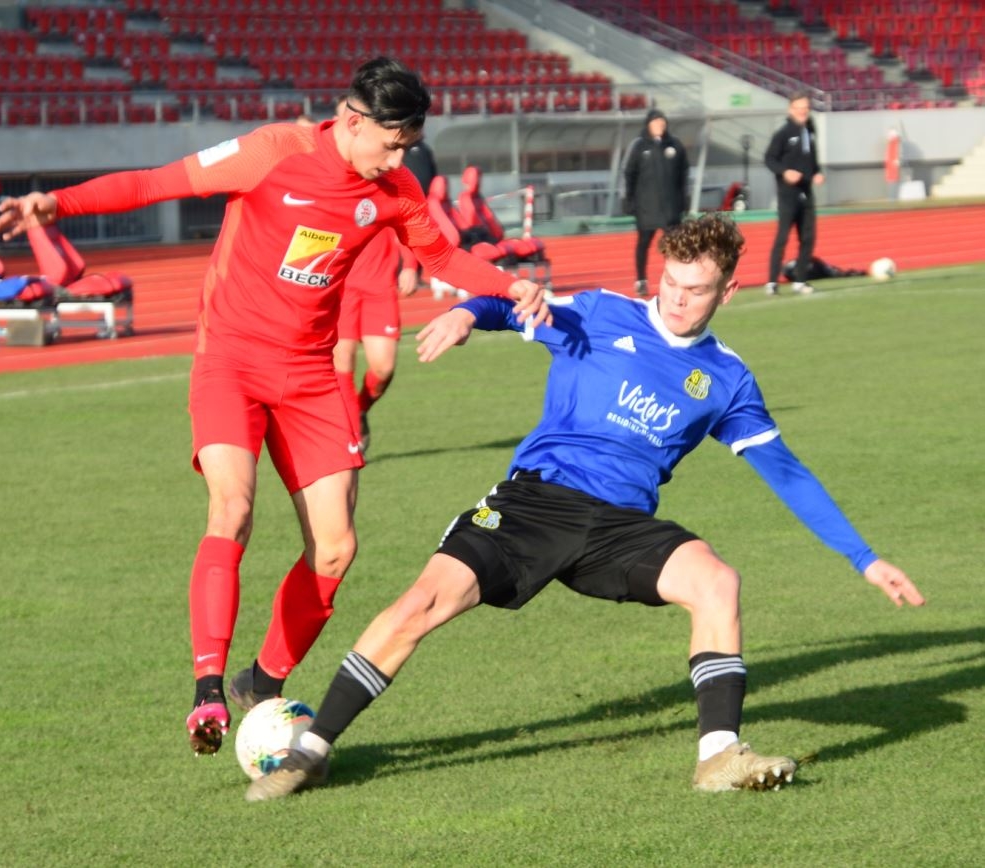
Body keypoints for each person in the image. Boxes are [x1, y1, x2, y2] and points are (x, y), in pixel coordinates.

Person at [243, 213, 926, 802]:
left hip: (620, 529)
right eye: (670, 284)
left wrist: (863, 559)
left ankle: (718, 755)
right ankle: (311, 751)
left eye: (695, 291)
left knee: (716, 581)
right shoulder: (602, 313)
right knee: (421, 604)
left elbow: (788, 474)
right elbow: (505, 304)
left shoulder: (726, 378)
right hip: (534, 502)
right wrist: (461, 312)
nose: (678, 301)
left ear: (727, 290)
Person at [0, 56, 548, 757]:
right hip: (230, 360)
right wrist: (57, 204)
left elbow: (440, 257)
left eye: (408, 144)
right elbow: (154, 182)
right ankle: (206, 689)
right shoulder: (270, 151)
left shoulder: (395, 188)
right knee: (232, 507)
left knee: (337, 547)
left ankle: (264, 679)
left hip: (311, 376)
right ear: (350, 122)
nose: (400, 156)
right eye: (392, 141)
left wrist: (506, 284)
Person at [331, 95, 419, 453]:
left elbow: (411, 224)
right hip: (342, 288)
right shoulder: (331, 173)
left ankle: (360, 411)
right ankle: (350, 437)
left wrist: (411, 265)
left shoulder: (387, 174)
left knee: (382, 369)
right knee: (342, 365)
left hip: (380, 285)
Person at [623, 108, 688, 297]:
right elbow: (629, 174)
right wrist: (629, 200)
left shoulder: (675, 145)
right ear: (648, 125)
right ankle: (641, 280)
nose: (660, 126)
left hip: (670, 207)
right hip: (646, 207)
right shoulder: (639, 146)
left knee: (675, 246)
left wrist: (683, 200)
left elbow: (683, 174)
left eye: (662, 122)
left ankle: (676, 279)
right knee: (643, 243)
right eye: (656, 123)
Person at [764, 92, 824, 296]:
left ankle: (800, 280)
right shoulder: (783, 133)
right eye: (799, 108)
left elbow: (812, 157)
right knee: (782, 237)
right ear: (791, 109)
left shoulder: (810, 129)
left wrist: (817, 172)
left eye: (805, 108)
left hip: (806, 192)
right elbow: (769, 158)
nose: (802, 112)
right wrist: (785, 172)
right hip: (788, 193)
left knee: (808, 237)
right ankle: (772, 281)